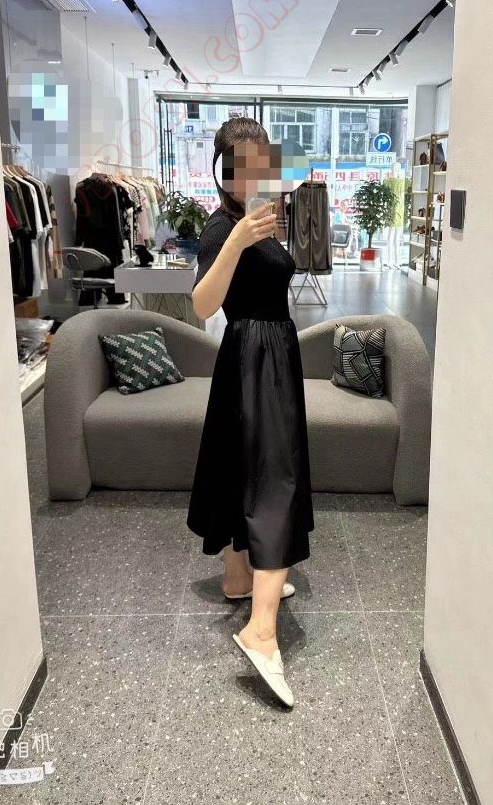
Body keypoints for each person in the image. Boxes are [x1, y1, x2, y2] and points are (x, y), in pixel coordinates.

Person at [187, 117, 314, 708]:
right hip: (253, 357)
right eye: (241, 163)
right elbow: (202, 305)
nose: (253, 173)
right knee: (273, 480)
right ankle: (260, 633)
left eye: (261, 161)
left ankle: (239, 578)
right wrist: (238, 240)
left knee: (246, 466)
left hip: (270, 354)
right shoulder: (222, 226)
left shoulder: (264, 213)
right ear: (223, 169)